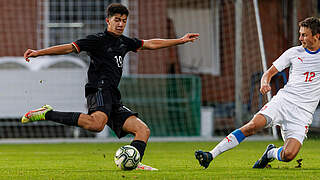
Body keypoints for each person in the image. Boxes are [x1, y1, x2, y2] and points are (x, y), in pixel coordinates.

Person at [22, 3, 199, 171]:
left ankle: (135, 162)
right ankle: (47, 113)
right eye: (117, 20)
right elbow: (69, 48)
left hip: (113, 96)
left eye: (124, 20)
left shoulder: (125, 42)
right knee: (97, 124)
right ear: (108, 21)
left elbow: (151, 43)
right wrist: (39, 53)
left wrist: (180, 40)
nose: (121, 24)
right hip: (98, 90)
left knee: (143, 130)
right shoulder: (97, 40)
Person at [195, 16, 320, 169]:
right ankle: (211, 155)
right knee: (253, 125)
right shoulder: (293, 53)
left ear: (317, 36)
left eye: (304, 35)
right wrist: (264, 83)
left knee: (289, 155)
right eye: (300, 34)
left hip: (303, 113)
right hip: (283, 102)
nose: (300, 38)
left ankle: (269, 154)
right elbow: (268, 73)